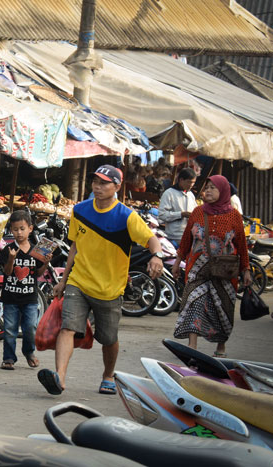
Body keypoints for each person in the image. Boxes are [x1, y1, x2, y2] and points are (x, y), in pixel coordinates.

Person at [38, 165, 164, 396]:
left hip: (110, 289)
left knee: (108, 339)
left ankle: (108, 375)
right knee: (67, 328)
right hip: (79, 281)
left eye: (104, 182)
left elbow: (151, 240)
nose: (98, 186)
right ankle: (60, 378)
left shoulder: (127, 216)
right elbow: (74, 247)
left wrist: (156, 256)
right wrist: (63, 280)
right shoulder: (80, 210)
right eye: (96, 181)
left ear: (117, 186)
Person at [172, 175, 251, 358]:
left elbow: (242, 245)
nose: (207, 191)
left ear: (223, 191)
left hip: (225, 271)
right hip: (197, 269)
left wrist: (246, 269)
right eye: (206, 187)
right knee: (194, 303)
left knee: (222, 307)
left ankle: (220, 346)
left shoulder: (234, 216)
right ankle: (193, 346)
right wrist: (177, 262)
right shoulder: (198, 212)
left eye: (212, 188)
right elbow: (186, 240)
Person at [0, 210, 51, 370]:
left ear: (30, 228)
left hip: (29, 298)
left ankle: (29, 352)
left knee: (30, 328)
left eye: (22, 229)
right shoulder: (8, 249)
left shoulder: (37, 250)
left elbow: (38, 274)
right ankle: (8, 358)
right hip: (10, 298)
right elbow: (7, 272)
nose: (19, 233)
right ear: (10, 230)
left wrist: (46, 263)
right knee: (9, 330)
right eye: (15, 229)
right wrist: (11, 260)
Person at [158, 168, 197, 248]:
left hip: (189, 236)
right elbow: (162, 215)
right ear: (181, 180)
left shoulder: (190, 195)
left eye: (193, 182)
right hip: (174, 237)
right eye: (189, 182)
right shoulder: (169, 193)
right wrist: (181, 214)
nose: (191, 185)